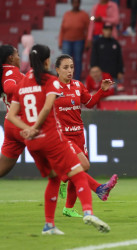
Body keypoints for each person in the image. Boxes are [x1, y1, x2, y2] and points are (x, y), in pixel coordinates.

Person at [7, 44, 110, 234]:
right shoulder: (50, 81)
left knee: (54, 179)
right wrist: (36, 127)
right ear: (48, 62)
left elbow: (11, 116)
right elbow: (47, 109)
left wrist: (28, 129)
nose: (70, 71)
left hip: (32, 143)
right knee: (78, 173)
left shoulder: (22, 84)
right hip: (52, 138)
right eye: (66, 67)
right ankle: (88, 211)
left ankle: (49, 225)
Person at [55, 54, 118, 217]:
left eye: (71, 67)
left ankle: (68, 207)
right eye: (65, 67)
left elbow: (89, 103)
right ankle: (99, 188)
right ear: (57, 70)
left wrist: (101, 91)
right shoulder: (52, 88)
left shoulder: (77, 85)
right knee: (84, 165)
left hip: (79, 135)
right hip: (63, 137)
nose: (70, 71)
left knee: (78, 170)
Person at [0, 45, 25, 178]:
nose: (19, 58)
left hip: (11, 124)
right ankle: (96, 187)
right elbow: (9, 87)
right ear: (11, 58)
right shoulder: (11, 71)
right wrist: (28, 89)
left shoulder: (3, 71)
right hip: (23, 123)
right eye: (17, 55)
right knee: (61, 156)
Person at [58, 0, 90, 81]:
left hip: (79, 41)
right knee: (65, 61)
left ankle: (76, 80)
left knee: (78, 61)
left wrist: (87, 42)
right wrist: (60, 41)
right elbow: (62, 29)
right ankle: (64, 79)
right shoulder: (66, 14)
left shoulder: (84, 15)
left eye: (77, 2)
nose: (76, 4)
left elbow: (88, 30)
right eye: (74, 2)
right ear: (71, 3)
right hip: (66, 40)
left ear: (80, 3)